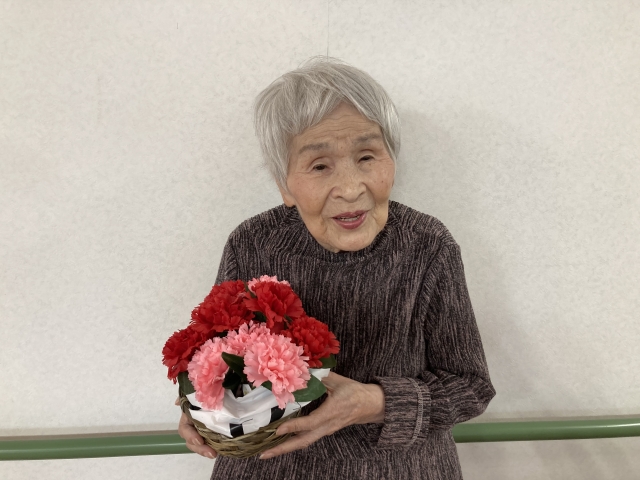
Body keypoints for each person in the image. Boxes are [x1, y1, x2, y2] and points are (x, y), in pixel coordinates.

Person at [177, 56, 496, 480]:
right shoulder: (252, 243)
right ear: (285, 185)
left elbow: (471, 387)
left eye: (367, 157)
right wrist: (199, 408)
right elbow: (213, 355)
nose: (349, 188)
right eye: (319, 165)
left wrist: (373, 403)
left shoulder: (427, 246)